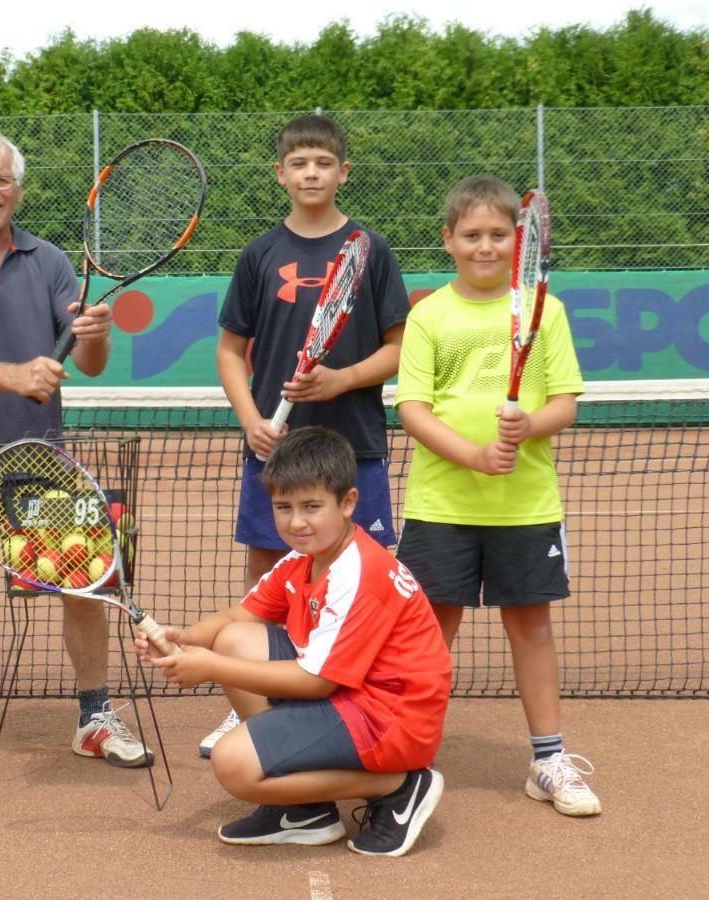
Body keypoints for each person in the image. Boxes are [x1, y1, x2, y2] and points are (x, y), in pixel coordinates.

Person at [0, 119, 152, 778]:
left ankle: (95, 716)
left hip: (40, 468)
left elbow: (90, 363)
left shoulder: (51, 263)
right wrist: (16, 375)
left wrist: (93, 332)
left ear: (18, 189)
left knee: (88, 588)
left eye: (1, 179)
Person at [139, 426, 451, 856]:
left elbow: (315, 682)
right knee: (233, 639)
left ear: (348, 503)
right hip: (356, 694)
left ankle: (400, 785)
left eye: (311, 506)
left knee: (234, 766)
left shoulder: (358, 572)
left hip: (392, 719)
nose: (296, 522)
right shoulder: (305, 556)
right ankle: (305, 812)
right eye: (283, 507)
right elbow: (238, 617)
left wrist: (208, 667)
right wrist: (185, 638)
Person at [394, 174, 601, 817]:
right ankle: (405, 757)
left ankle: (548, 760)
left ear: (520, 243)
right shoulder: (428, 314)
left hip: (527, 507)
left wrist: (532, 425)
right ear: (449, 241)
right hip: (440, 506)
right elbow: (413, 410)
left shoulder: (547, 311)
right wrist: (475, 456)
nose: (485, 245)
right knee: (429, 632)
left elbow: (565, 401)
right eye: (472, 234)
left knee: (531, 629)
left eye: (498, 235)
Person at [205, 114, 409, 756]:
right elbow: (231, 351)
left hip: (357, 449)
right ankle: (257, 709)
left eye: (323, 162)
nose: (311, 173)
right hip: (277, 451)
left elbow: (399, 349)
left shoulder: (371, 251)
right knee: (268, 575)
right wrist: (250, 420)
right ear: (281, 174)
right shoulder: (259, 255)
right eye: (299, 163)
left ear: (342, 171)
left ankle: (360, 707)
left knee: (364, 576)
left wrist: (340, 379)